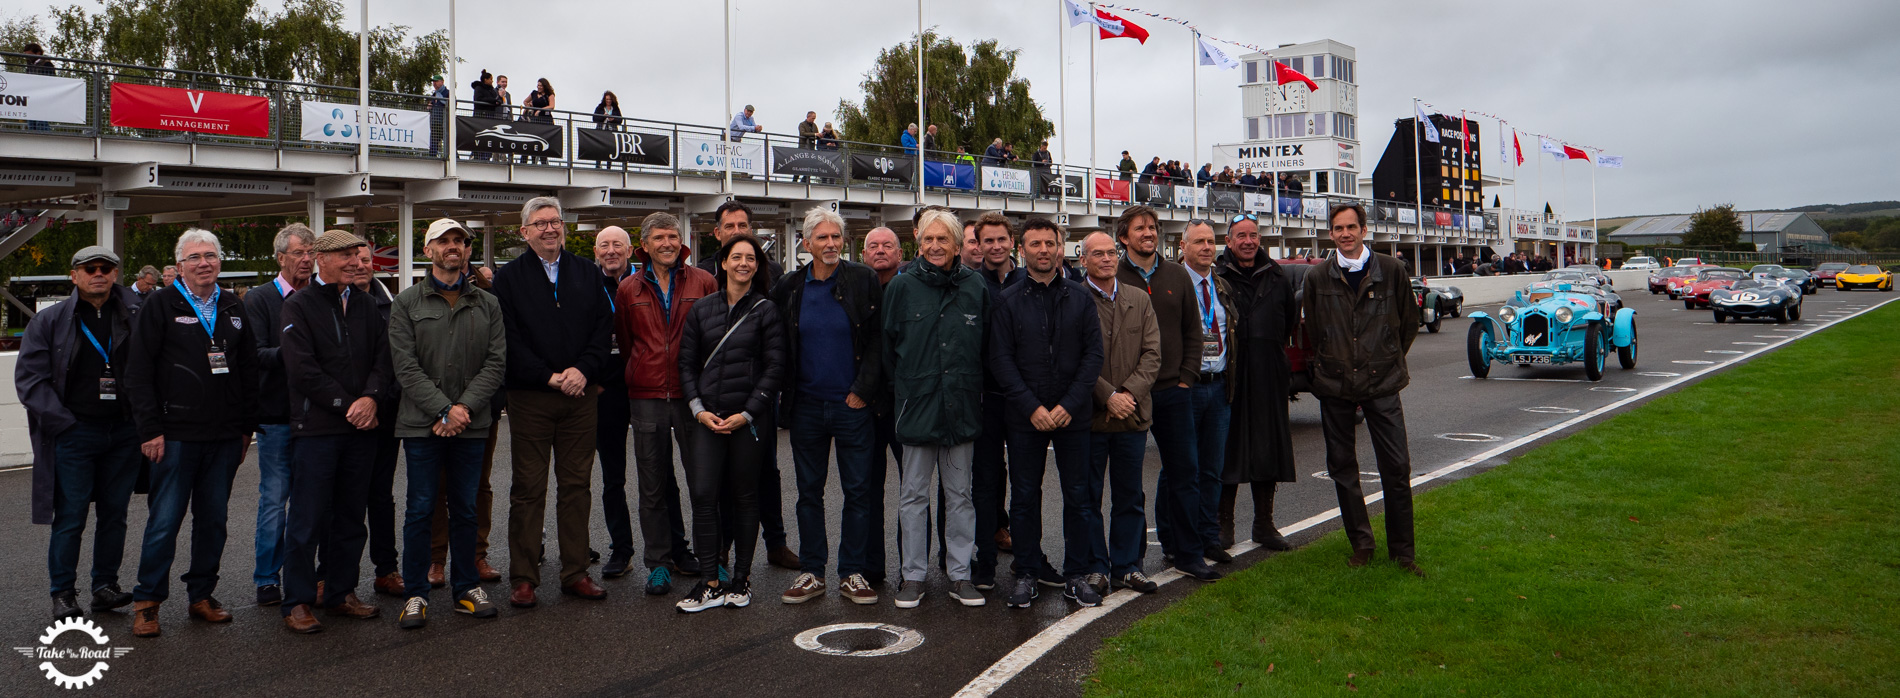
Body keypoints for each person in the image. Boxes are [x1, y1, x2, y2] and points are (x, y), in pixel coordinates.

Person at [124, 229, 260, 638]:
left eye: (211, 256)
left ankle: (201, 595)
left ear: (220, 261)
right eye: (195, 257)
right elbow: (139, 372)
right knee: (165, 521)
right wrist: (149, 429)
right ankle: (147, 602)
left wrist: (245, 429)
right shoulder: (160, 304)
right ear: (180, 265)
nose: (204, 263)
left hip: (224, 437)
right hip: (175, 435)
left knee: (214, 521)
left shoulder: (235, 304)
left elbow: (249, 371)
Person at [493, 197, 614, 608]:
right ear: (524, 232)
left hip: (580, 396)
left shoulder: (587, 272)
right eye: (540, 223)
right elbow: (508, 338)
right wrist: (547, 376)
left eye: (556, 222)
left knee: (577, 486)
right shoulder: (508, 278)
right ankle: (524, 578)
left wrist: (583, 370)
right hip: (531, 397)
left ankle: (575, 572)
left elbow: (603, 329)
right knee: (528, 489)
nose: (550, 229)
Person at [390, 218, 508, 630]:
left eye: (460, 240)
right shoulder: (405, 303)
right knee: (420, 509)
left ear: (467, 251)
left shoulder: (488, 304)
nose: (453, 246)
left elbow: (495, 364)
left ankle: (466, 589)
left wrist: (463, 410)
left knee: (465, 508)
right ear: (429, 250)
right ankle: (416, 594)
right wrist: (443, 409)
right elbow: (405, 367)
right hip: (422, 425)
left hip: (470, 425)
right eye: (444, 240)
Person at [18, 246, 142, 619]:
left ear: (116, 274)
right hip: (75, 433)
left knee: (115, 514)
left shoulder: (137, 315)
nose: (99, 273)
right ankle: (63, 593)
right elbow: (29, 380)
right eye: (90, 268)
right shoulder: (50, 320)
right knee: (71, 516)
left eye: (106, 268)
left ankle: (104, 587)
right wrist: (64, 424)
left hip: (124, 432)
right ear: (75, 276)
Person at [277, 230, 391, 633]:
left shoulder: (365, 304)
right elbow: (302, 369)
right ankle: (298, 601)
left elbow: (384, 359)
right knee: (307, 519)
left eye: (358, 256)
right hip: (318, 430)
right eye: (346, 256)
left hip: (361, 430)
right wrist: (351, 405)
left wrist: (372, 398)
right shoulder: (299, 306)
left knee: (349, 517)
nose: (356, 262)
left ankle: (341, 592)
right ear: (322, 260)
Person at [989, 218, 1104, 609]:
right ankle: (1027, 572)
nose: (1042, 250)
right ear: (1022, 250)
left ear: (1060, 248)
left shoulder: (1080, 297)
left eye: (1049, 243)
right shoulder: (1006, 300)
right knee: (1023, 497)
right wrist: (1032, 407)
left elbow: (1093, 357)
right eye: (1034, 243)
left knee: (1079, 496)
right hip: (1025, 417)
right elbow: (1000, 360)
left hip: (1073, 416)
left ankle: (1075, 574)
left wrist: (1067, 405)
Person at [773, 207, 886, 605]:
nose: (831, 244)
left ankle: (852, 572)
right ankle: (812, 571)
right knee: (808, 491)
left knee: (858, 491)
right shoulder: (789, 287)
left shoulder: (862, 280)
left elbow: (877, 342)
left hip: (852, 405)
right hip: (806, 406)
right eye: (822, 238)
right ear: (806, 244)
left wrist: (863, 389)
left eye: (836, 237)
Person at [1303, 203, 1423, 577]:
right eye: (1338, 228)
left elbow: (1408, 323)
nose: (1345, 234)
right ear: (1330, 233)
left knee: (1396, 467)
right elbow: (1313, 330)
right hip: (1335, 385)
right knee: (1342, 469)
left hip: (1382, 382)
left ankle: (1403, 553)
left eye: (1351, 227)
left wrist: (1386, 358)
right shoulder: (1318, 277)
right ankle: (1362, 545)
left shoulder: (1391, 270)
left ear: (1364, 229)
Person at [674, 233, 786, 612]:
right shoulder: (702, 309)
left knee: (744, 497)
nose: (743, 264)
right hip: (707, 418)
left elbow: (775, 367)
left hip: (747, 420)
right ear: (722, 263)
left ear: (758, 266)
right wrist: (698, 409)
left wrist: (748, 412)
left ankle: (741, 579)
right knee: (704, 496)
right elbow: (686, 364)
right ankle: (709, 581)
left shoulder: (766, 310)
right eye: (736, 257)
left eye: (750, 258)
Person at [884, 208, 988, 609]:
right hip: (917, 407)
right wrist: (910, 391)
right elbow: (890, 349)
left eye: (943, 239)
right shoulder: (901, 287)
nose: (935, 246)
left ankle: (960, 575)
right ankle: (913, 576)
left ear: (959, 245)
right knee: (913, 496)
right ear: (918, 243)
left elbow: (984, 347)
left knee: (960, 496)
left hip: (961, 408)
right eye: (928, 239)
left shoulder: (975, 286)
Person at [1115, 206, 1220, 582]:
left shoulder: (1176, 275)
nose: (1149, 233)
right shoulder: (1114, 273)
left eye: (1153, 228)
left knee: (1185, 475)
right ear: (1124, 237)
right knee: (1129, 484)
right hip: (1127, 396)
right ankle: (1130, 563)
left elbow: (1194, 332)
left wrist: (1187, 378)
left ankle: (1188, 554)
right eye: (1140, 228)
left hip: (1174, 392)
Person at [694, 202, 797, 569]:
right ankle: (722, 549)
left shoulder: (773, 271)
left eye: (744, 225)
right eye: (730, 226)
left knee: (765, 473)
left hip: (757, 396)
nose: (738, 230)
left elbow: (779, 334)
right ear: (717, 234)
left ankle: (776, 543)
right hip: (716, 396)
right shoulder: (705, 275)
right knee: (721, 482)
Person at [614, 212, 710, 595]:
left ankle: (710, 554)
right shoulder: (629, 288)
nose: (667, 243)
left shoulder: (703, 282)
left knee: (702, 482)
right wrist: (639, 372)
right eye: (659, 238)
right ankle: (658, 563)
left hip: (693, 395)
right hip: (647, 395)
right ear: (645, 244)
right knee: (652, 486)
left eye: (673, 236)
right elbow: (626, 341)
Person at [1079, 231, 1161, 595]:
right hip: (1090, 418)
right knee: (1088, 496)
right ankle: (1095, 566)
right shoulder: (1073, 299)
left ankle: (1127, 566)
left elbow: (1152, 353)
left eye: (1111, 252)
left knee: (1129, 494)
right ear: (1083, 260)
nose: (1107, 259)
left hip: (1132, 415)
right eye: (1097, 254)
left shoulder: (1138, 299)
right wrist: (1107, 395)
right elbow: (1071, 357)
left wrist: (1127, 393)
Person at [1211, 215, 1296, 551]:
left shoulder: (1277, 275)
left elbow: (1288, 321)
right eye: (1240, 236)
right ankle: (1223, 525)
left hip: (1268, 374)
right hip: (1230, 374)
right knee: (1227, 451)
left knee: (1267, 450)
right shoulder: (1217, 276)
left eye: (1253, 235)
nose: (1248, 241)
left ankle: (1264, 523)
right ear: (1229, 242)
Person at [242, 223, 316, 607]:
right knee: (275, 499)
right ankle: (267, 578)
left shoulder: (322, 294)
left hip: (318, 417)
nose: (306, 259)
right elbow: (254, 355)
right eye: (299, 253)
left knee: (313, 502)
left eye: (311, 252)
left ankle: (307, 576)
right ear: (281, 257)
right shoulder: (259, 299)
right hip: (276, 417)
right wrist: (298, 356)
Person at [1176, 220, 1240, 563]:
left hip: (1218, 388)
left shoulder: (1221, 284)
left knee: (1212, 469)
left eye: (1210, 241)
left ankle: (1208, 536)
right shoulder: (1173, 283)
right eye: (1198, 241)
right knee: (1180, 468)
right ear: (1182, 246)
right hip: (1186, 387)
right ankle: (1175, 539)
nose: (1206, 247)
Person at [352, 245, 405, 598]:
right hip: (346, 417)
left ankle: (387, 570)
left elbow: (401, 359)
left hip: (385, 416)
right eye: (352, 260)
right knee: (344, 501)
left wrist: (380, 400)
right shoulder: (326, 303)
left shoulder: (393, 304)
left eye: (366, 260)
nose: (360, 266)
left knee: (381, 498)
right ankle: (338, 578)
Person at [523, 79, 555, 165]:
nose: (539, 87)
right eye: (538, 85)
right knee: (532, 140)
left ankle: (543, 162)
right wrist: (529, 106)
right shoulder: (534, 93)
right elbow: (525, 101)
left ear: (545, 86)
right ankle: (530, 161)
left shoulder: (549, 95)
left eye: (541, 85)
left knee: (542, 141)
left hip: (545, 120)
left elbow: (552, 106)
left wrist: (540, 110)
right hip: (534, 120)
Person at [470, 71, 499, 161]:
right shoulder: (479, 88)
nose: (492, 81)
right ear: (485, 80)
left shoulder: (491, 90)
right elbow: (478, 100)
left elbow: (495, 99)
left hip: (490, 117)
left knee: (489, 138)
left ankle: (486, 157)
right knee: (480, 137)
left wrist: (498, 100)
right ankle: (477, 156)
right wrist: (492, 101)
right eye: (490, 79)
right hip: (481, 116)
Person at [592, 91, 623, 169]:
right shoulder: (600, 107)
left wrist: (613, 119)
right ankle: (598, 166)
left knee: (610, 149)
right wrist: (603, 116)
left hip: (611, 131)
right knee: (600, 148)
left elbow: (620, 120)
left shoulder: (615, 109)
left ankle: (608, 167)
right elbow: (594, 118)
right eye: (607, 99)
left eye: (609, 99)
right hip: (601, 130)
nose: (608, 101)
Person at [427, 75, 449, 157]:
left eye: (436, 81)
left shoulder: (448, 93)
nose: (434, 83)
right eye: (433, 82)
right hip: (435, 122)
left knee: (448, 143)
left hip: (444, 122)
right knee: (433, 143)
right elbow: (432, 104)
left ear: (442, 82)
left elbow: (453, 105)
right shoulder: (434, 94)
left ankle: (455, 159)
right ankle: (432, 158)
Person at [795, 111, 820, 182]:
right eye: (813, 118)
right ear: (808, 117)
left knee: (811, 166)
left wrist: (819, 136)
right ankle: (795, 181)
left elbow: (816, 134)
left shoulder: (814, 125)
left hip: (811, 148)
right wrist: (815, 135)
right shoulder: (802, 124)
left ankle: (804, 180)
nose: (813, 120)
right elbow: (803, 133)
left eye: (814, 118)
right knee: (800, 166)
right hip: (803, 147)